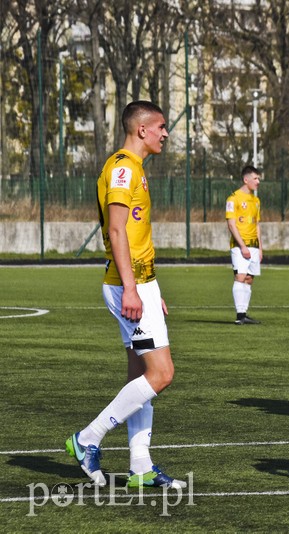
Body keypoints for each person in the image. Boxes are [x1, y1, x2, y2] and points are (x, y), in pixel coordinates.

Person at [66, 100, 185, 489]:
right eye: (161, 127)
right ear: (142, 130)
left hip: (140, 283)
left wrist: (151, 287)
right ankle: (88, 438)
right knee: (161, 373)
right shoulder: (122, 168)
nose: (165, 133)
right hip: (126, 284)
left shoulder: (135, 168)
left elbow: (136, 236)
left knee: (141, 374)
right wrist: (133, 288)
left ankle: (140, 466)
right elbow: (117, 231)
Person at [226, 165, 263, 325]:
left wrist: (260, 248)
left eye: (258, 178)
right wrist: (242, 246)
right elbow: (231, 224)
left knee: (248, 279)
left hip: (254, 246)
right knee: (240, 276)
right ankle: (239, 315)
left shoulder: (256, 200)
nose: (258, 181)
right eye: (255, 178)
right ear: (246, 179)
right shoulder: (233, 198)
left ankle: (244, 314)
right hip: (240, 245)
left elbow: (257, 225)